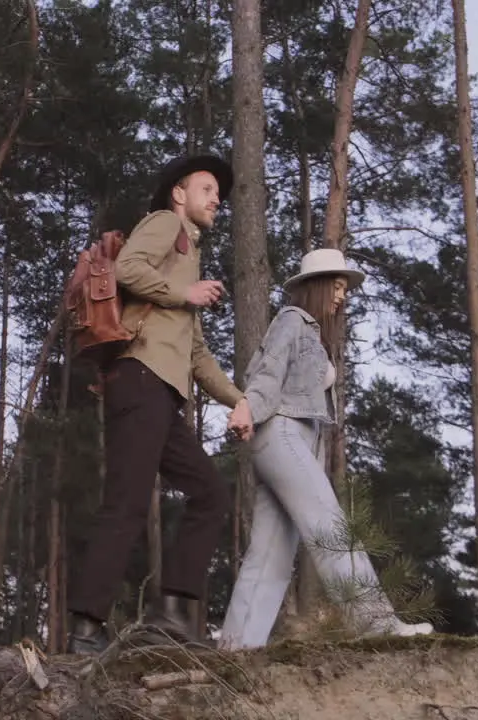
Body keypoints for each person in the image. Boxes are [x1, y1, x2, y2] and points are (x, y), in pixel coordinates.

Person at [66, 155, 251, 656]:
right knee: (125, 503)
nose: (217, 199)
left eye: (219, 194)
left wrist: (240, 400)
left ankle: (172, 614)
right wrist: (182, 291)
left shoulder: (188, 258)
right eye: (208, 188)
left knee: (211, 495)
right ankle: (85, 628)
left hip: (163, 393)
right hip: (139, 379)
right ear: (179, 193)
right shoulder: (166, 224)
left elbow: (195, 353)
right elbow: (127, 268)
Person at [218, 248, 435, 650]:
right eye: (336, 286)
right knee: (329, 526)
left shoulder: (315, 333)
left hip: (291, 440)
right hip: (281, 432)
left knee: (271, 553)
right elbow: (268, 368)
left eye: (345, 288)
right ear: (316, 286)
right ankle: (376, 625)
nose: (343, 295)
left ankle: (236, 648)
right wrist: (247, 406)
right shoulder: (293, 320)